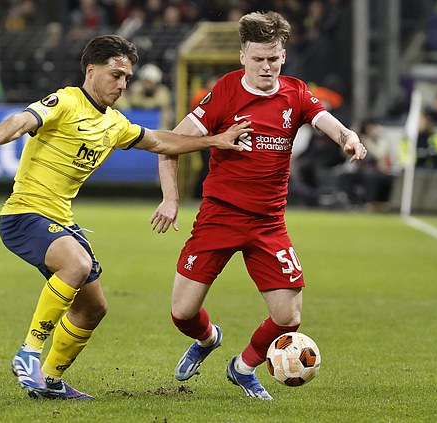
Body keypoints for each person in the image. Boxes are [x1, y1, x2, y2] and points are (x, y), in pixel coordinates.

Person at [0, 34, 250, 401]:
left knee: (93, 308)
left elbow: (162, 142)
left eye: (127, 77)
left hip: (61, 221)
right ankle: (28, 353)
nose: (123, 84)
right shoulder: (65, 101)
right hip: (24, 214)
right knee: (76, 265)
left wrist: (214, 141)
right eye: (116, 75)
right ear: (91, 70)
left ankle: (49, 381)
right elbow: (21, 119)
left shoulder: (114, 124)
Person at [150, 11, 366, 400]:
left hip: (268, 223)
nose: (266, 67)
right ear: (242, 57)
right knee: (182, 313)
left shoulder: (295, 92)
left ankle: (244, 366)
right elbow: (169, 144)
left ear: (282, 55)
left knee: (289, 317)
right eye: (258, 59)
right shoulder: (225, 92)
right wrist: (171, 198)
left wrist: (347, 137)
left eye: (273, 58)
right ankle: (207, 338)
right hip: (219, 216)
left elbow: (325, 120)